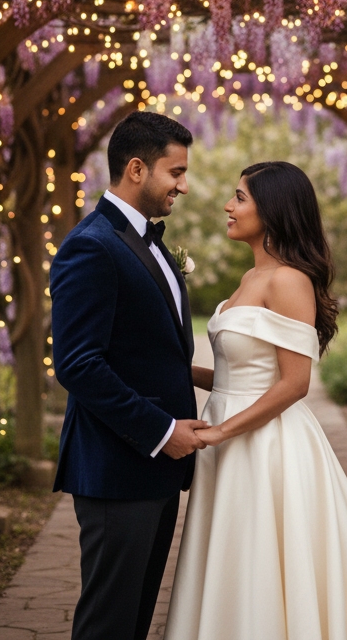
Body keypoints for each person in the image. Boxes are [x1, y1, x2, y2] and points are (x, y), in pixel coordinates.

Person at [165, 161, 347, 640]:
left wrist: (221, 432)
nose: (228, 206)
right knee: (233, 553)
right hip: (228, 437)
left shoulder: (288, 280)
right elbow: (233, 377)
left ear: (274, 210)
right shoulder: (250, 279)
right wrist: (171, 372)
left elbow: (294, 383)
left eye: (240, 198)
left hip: (266, 444)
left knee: (265, 553)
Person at [49, 111, 208, 640]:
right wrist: (164, 431)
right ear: (137, 169)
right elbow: (78, 364)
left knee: (135, 619)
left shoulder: (146, 240)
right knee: (109, 623)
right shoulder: (91, 245)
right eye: (176, 172)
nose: (183, 186)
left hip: (153, 469)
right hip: (118, 467)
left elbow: (145, 349)